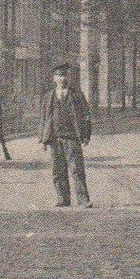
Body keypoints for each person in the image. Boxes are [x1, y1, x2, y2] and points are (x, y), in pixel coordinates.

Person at [39, 63, 92, 208]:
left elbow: (85, 116)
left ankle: (83, 200)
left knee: (76, 169)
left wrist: (86, 135)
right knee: (57, 170)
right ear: (53, 79)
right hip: (54, 138)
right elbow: (44, 118)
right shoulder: (48, 97)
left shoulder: (77, 95)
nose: (61, 79)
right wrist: (43, 139)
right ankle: (63, 199)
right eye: (58, 76)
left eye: (64, 75)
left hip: (72, 137)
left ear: (69, 78)